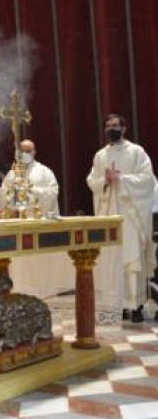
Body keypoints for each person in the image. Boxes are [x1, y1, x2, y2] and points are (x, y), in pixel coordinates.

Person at [87, 114, 155, 322]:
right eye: (108, 126)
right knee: (112, 261)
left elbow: (147, 180)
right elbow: (92, 181)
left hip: (130, 216)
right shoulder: (100, 156)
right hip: (108, 215)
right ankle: (117, 306)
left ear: (124, 128)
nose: (111, 129)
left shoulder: (136, 152)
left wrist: (122, 179)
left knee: (131, 259)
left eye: (115, 125)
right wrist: (105, 181)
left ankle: (135, 306)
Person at [0, 139, 72, 299]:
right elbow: (2, 194)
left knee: (38, 263)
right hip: (17, 225)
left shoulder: (44, 172)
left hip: (37, 223)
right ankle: (18, 289)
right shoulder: (12, 173)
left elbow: (52, 193)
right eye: (22, 151)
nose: (25, 154)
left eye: (28, 151)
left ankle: (43, 291)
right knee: (19, 264)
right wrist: (11, 194)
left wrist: (31, 190)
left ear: (34, 152)